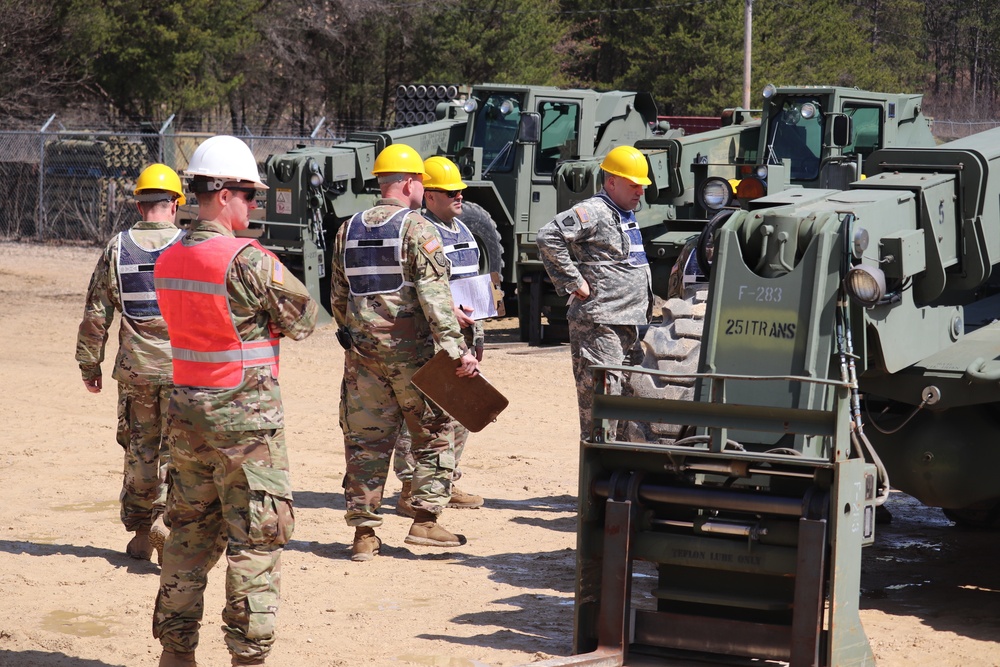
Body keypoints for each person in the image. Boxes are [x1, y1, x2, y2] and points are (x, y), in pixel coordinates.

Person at [151, 135, 318, 667]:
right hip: (247, 425)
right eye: (249, 194)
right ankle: (248, 657)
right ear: (222, 194)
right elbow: (304, 321)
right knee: (256, 543)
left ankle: (176, 653)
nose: (254, 204)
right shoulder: (248, 259)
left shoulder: (168, 255)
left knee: (187, 536)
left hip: (187, 418)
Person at [330, 143, 479, 563]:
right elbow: (434, 298)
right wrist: (456, 350)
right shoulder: (417, 228)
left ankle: (363, 533)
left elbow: (339, 295)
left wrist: (355, 333)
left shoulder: (349, 228)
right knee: (434, 433)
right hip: (413, 357)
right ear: (411, 183)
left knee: (365, 442)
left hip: (362, 357)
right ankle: (425, 520)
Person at [75, 163, 185, 564]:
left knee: (140, 450)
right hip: (182, 371)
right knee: (179, 452)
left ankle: (140, 534)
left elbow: (96, 314)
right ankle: (167, 522)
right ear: (174, 204)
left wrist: (90, 366)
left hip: (135, 370)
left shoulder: (117, 249)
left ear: (140, 206)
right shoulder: (190, 246)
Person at [536, 145, 653, 440]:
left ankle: (620, 474)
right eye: (633, 184)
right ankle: (597, 476)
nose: (640, 191)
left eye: (642, 185)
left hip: (626, 322)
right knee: (601, 404)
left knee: (628, 397)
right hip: (600, 324)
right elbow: (548, 236)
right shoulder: (594, 211)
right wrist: (573, 281)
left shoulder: (624, 211)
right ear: (611, 181)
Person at [394, 155, 485, 516]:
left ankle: (444, 482)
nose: (459, 197)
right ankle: (409, 487)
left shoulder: (461, 228)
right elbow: (422, 288)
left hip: (466, 334)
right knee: (422, 416)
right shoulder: (420, 230)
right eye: (451, 192)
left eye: (461, 190)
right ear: (429, 196)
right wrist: (451, 317)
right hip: (437, 336)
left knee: (461, 408)